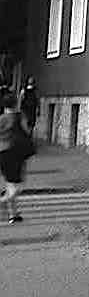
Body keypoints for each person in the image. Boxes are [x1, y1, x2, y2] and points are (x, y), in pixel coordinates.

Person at [0, 90, 33, 224]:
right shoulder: (20, 117)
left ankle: (13, 215)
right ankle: (4, 202)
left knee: (9, 183)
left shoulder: (1, 118)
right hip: (16, 153)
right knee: (17, 187)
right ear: (15, 104)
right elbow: (27, 131)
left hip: (2, 153)